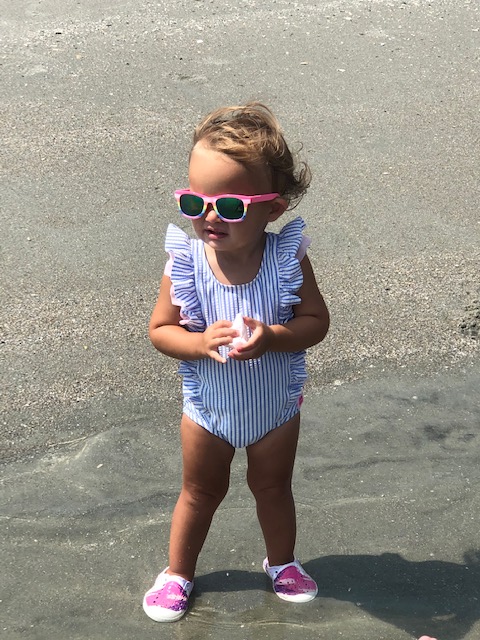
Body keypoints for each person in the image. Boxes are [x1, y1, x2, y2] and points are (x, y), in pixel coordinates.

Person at [143, 102, 330, 622]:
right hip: (209, 410)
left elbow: (316, 322)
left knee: (273, 488)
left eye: (228, 206)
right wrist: (199, 342)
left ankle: (282, 562)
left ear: (272, 208)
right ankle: (177, 573)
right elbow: (160, 331)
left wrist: (274, 337)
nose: (208, 216)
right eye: (194, 201)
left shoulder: (287, 259)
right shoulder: (186, 263)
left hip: (274, 407)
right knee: (200, 492)